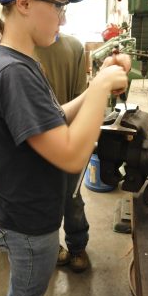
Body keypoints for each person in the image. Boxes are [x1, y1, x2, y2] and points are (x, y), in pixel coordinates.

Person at [0, 0, 130, 296]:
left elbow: (52, 118)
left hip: (22, 211)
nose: (63, 16)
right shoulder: (13, 72)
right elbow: (72, 154)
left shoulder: (21, 61)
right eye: (58, 5)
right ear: (24, 3)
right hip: (28, 222)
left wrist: (94, 86)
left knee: (31, 286)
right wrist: (103, 89)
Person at [35, 33, 90, 272]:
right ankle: (53, 247)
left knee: (73, 198)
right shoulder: (24, 51)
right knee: (45, 199)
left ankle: (77, 246)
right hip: (38, 141)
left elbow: (80, 95)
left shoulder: (74, 46)